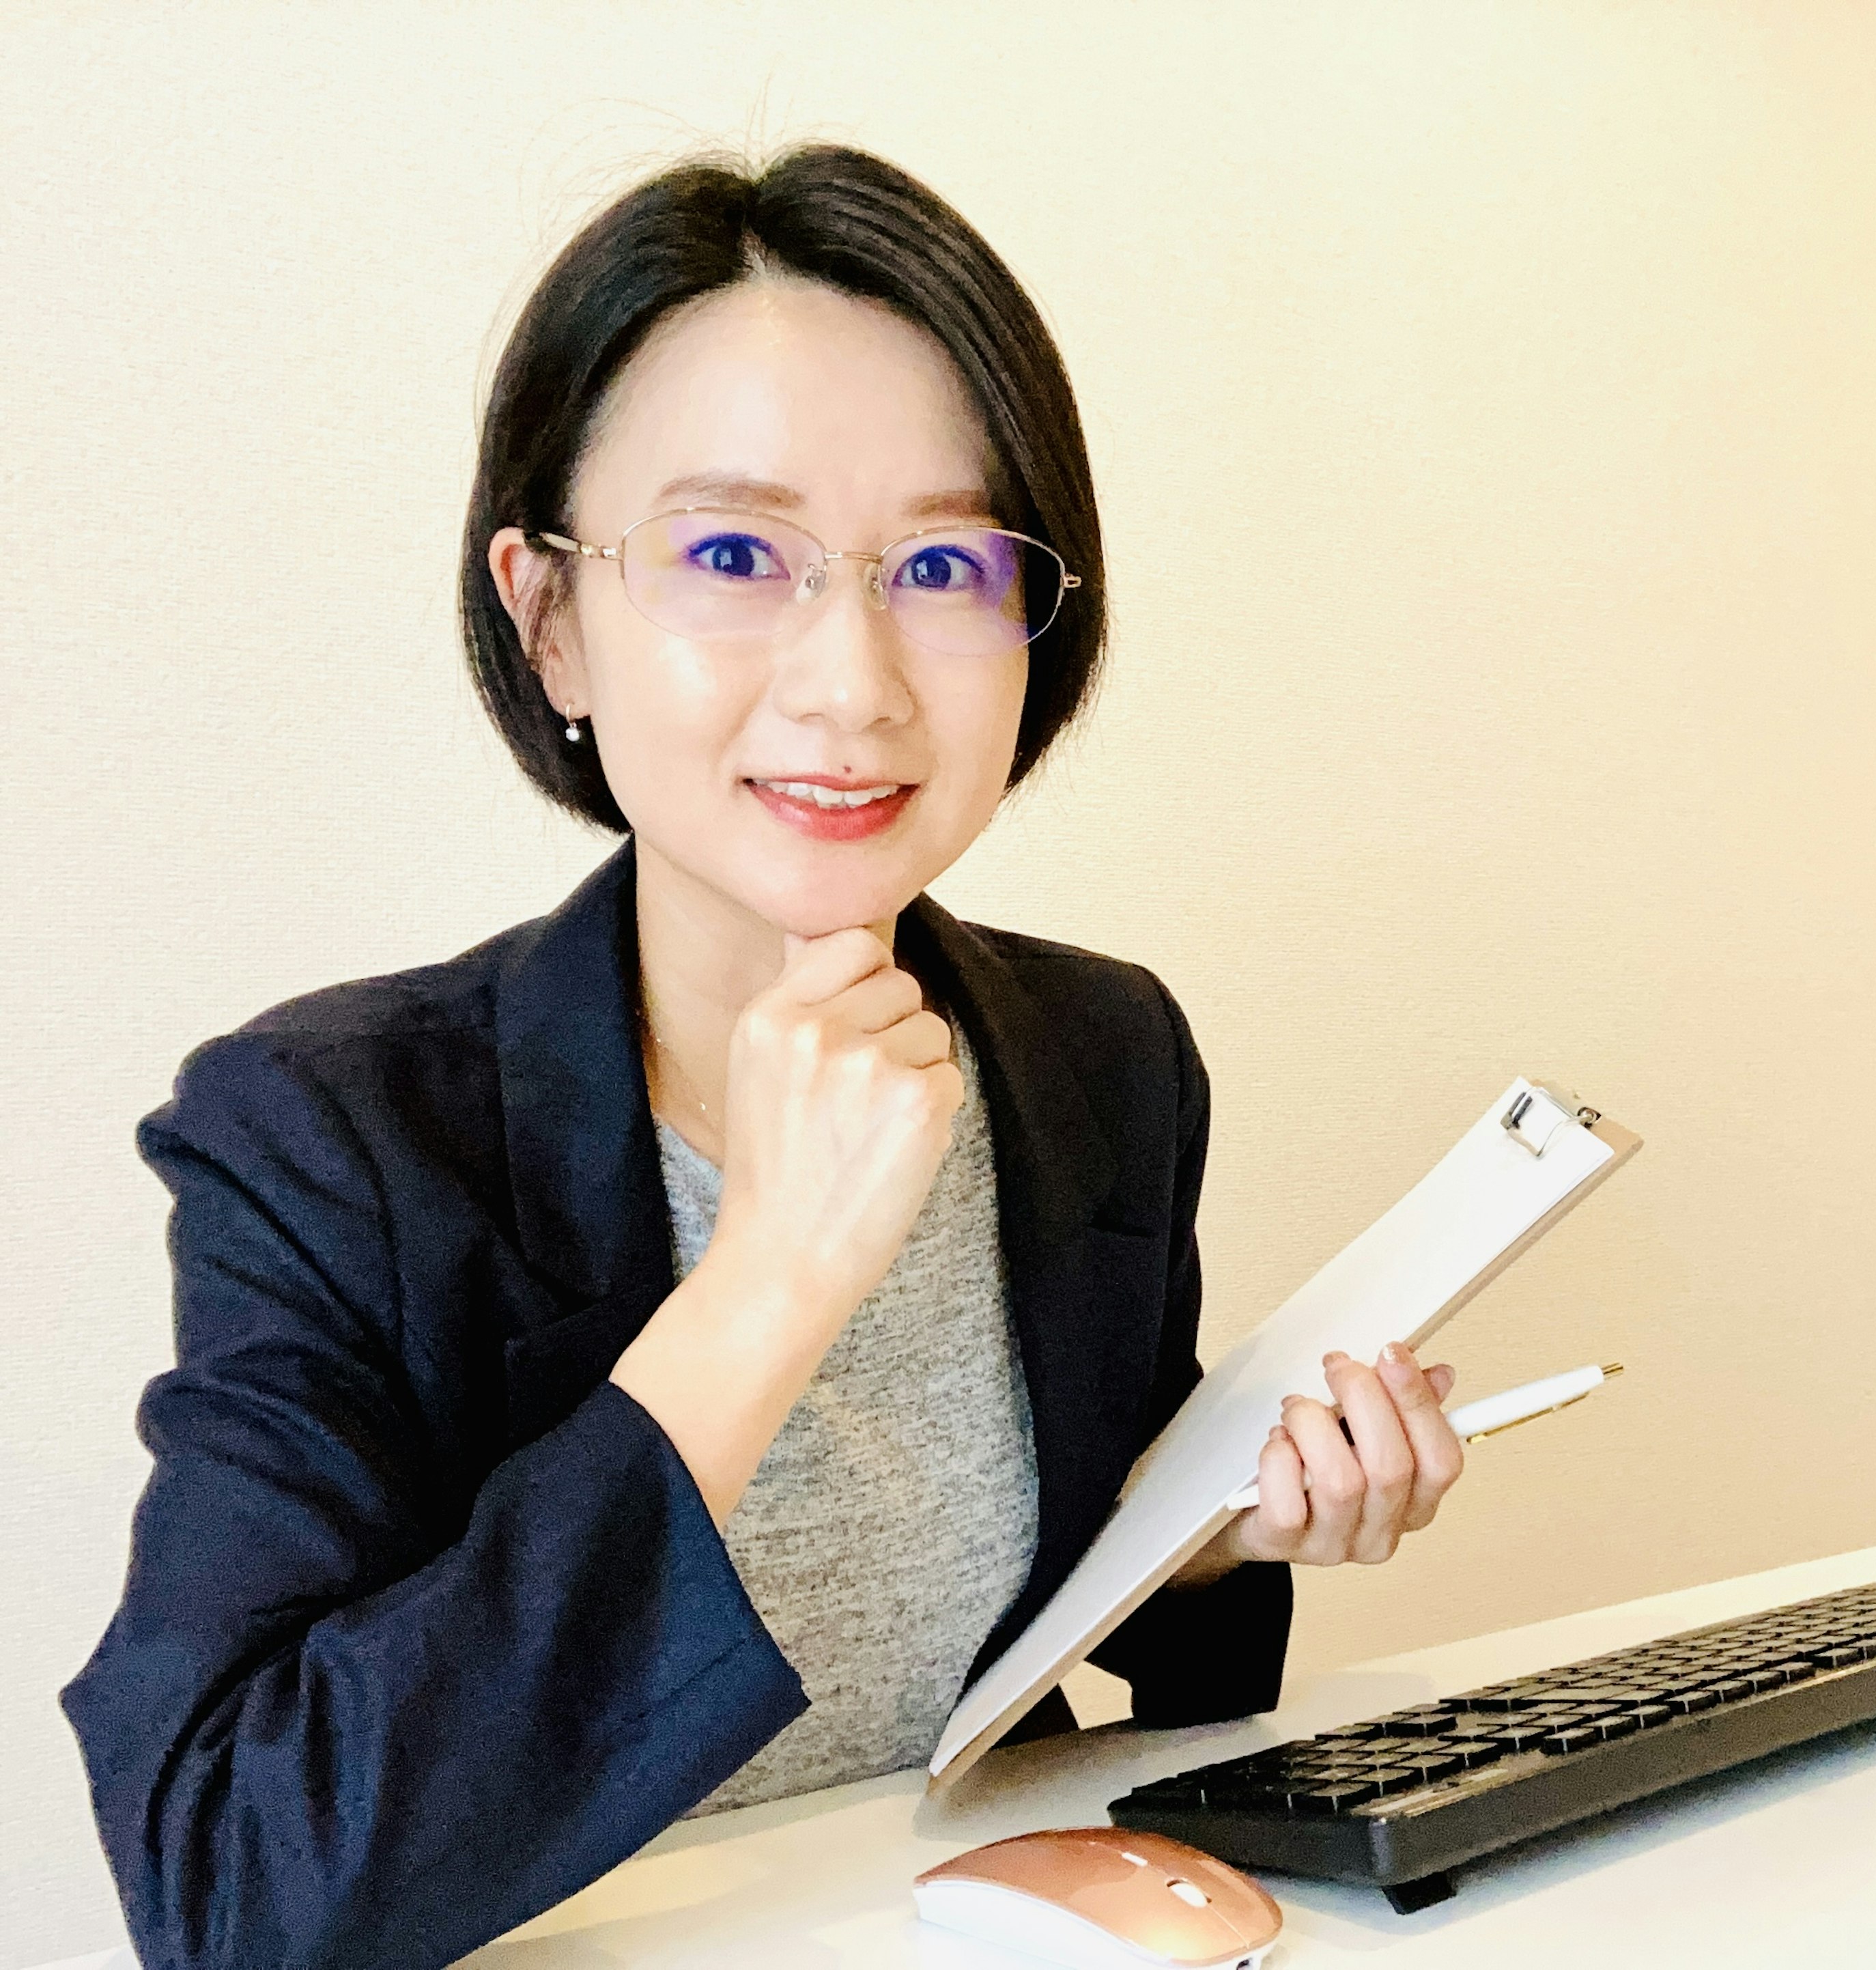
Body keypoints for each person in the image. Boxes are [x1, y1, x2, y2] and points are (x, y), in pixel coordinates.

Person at [61, 141, 1468, 1970]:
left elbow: (1087, 1666)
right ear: (551, 614)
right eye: (735, 553)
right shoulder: (329, 1136)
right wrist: (765, 1289)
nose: (856, 678)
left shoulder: (1098, 1054)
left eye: (946, 564)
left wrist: (1220, 1537)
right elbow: (230, 1885)